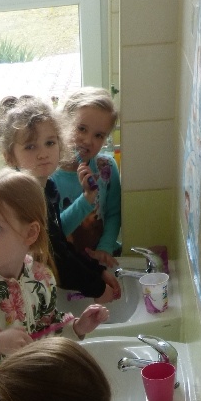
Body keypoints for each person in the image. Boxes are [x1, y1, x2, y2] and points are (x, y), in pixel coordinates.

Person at [0, 167, 108, 374]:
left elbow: (43, 333)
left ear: (30, 233)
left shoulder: (41, 279)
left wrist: (75, 328)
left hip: (24, 386)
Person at [0, 94, 120, 304]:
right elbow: (56, 258)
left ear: (61, 143)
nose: (43, 154)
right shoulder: (22, 200)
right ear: (9, 156)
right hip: (11, 298)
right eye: (30, 146)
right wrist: (97, 287)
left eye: (49, 143)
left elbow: (59, 244)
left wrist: (97, 271)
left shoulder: (46, 189)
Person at [52, 86, 122, 266]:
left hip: (100, 261)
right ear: (62, 124)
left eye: (99, 135)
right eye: (81, 129)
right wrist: (86, 198)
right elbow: (55, 233)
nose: (89, 141)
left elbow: (114, 213)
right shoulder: (47, 177)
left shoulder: (106, 168)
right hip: (65, 267)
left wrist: (105, 248)